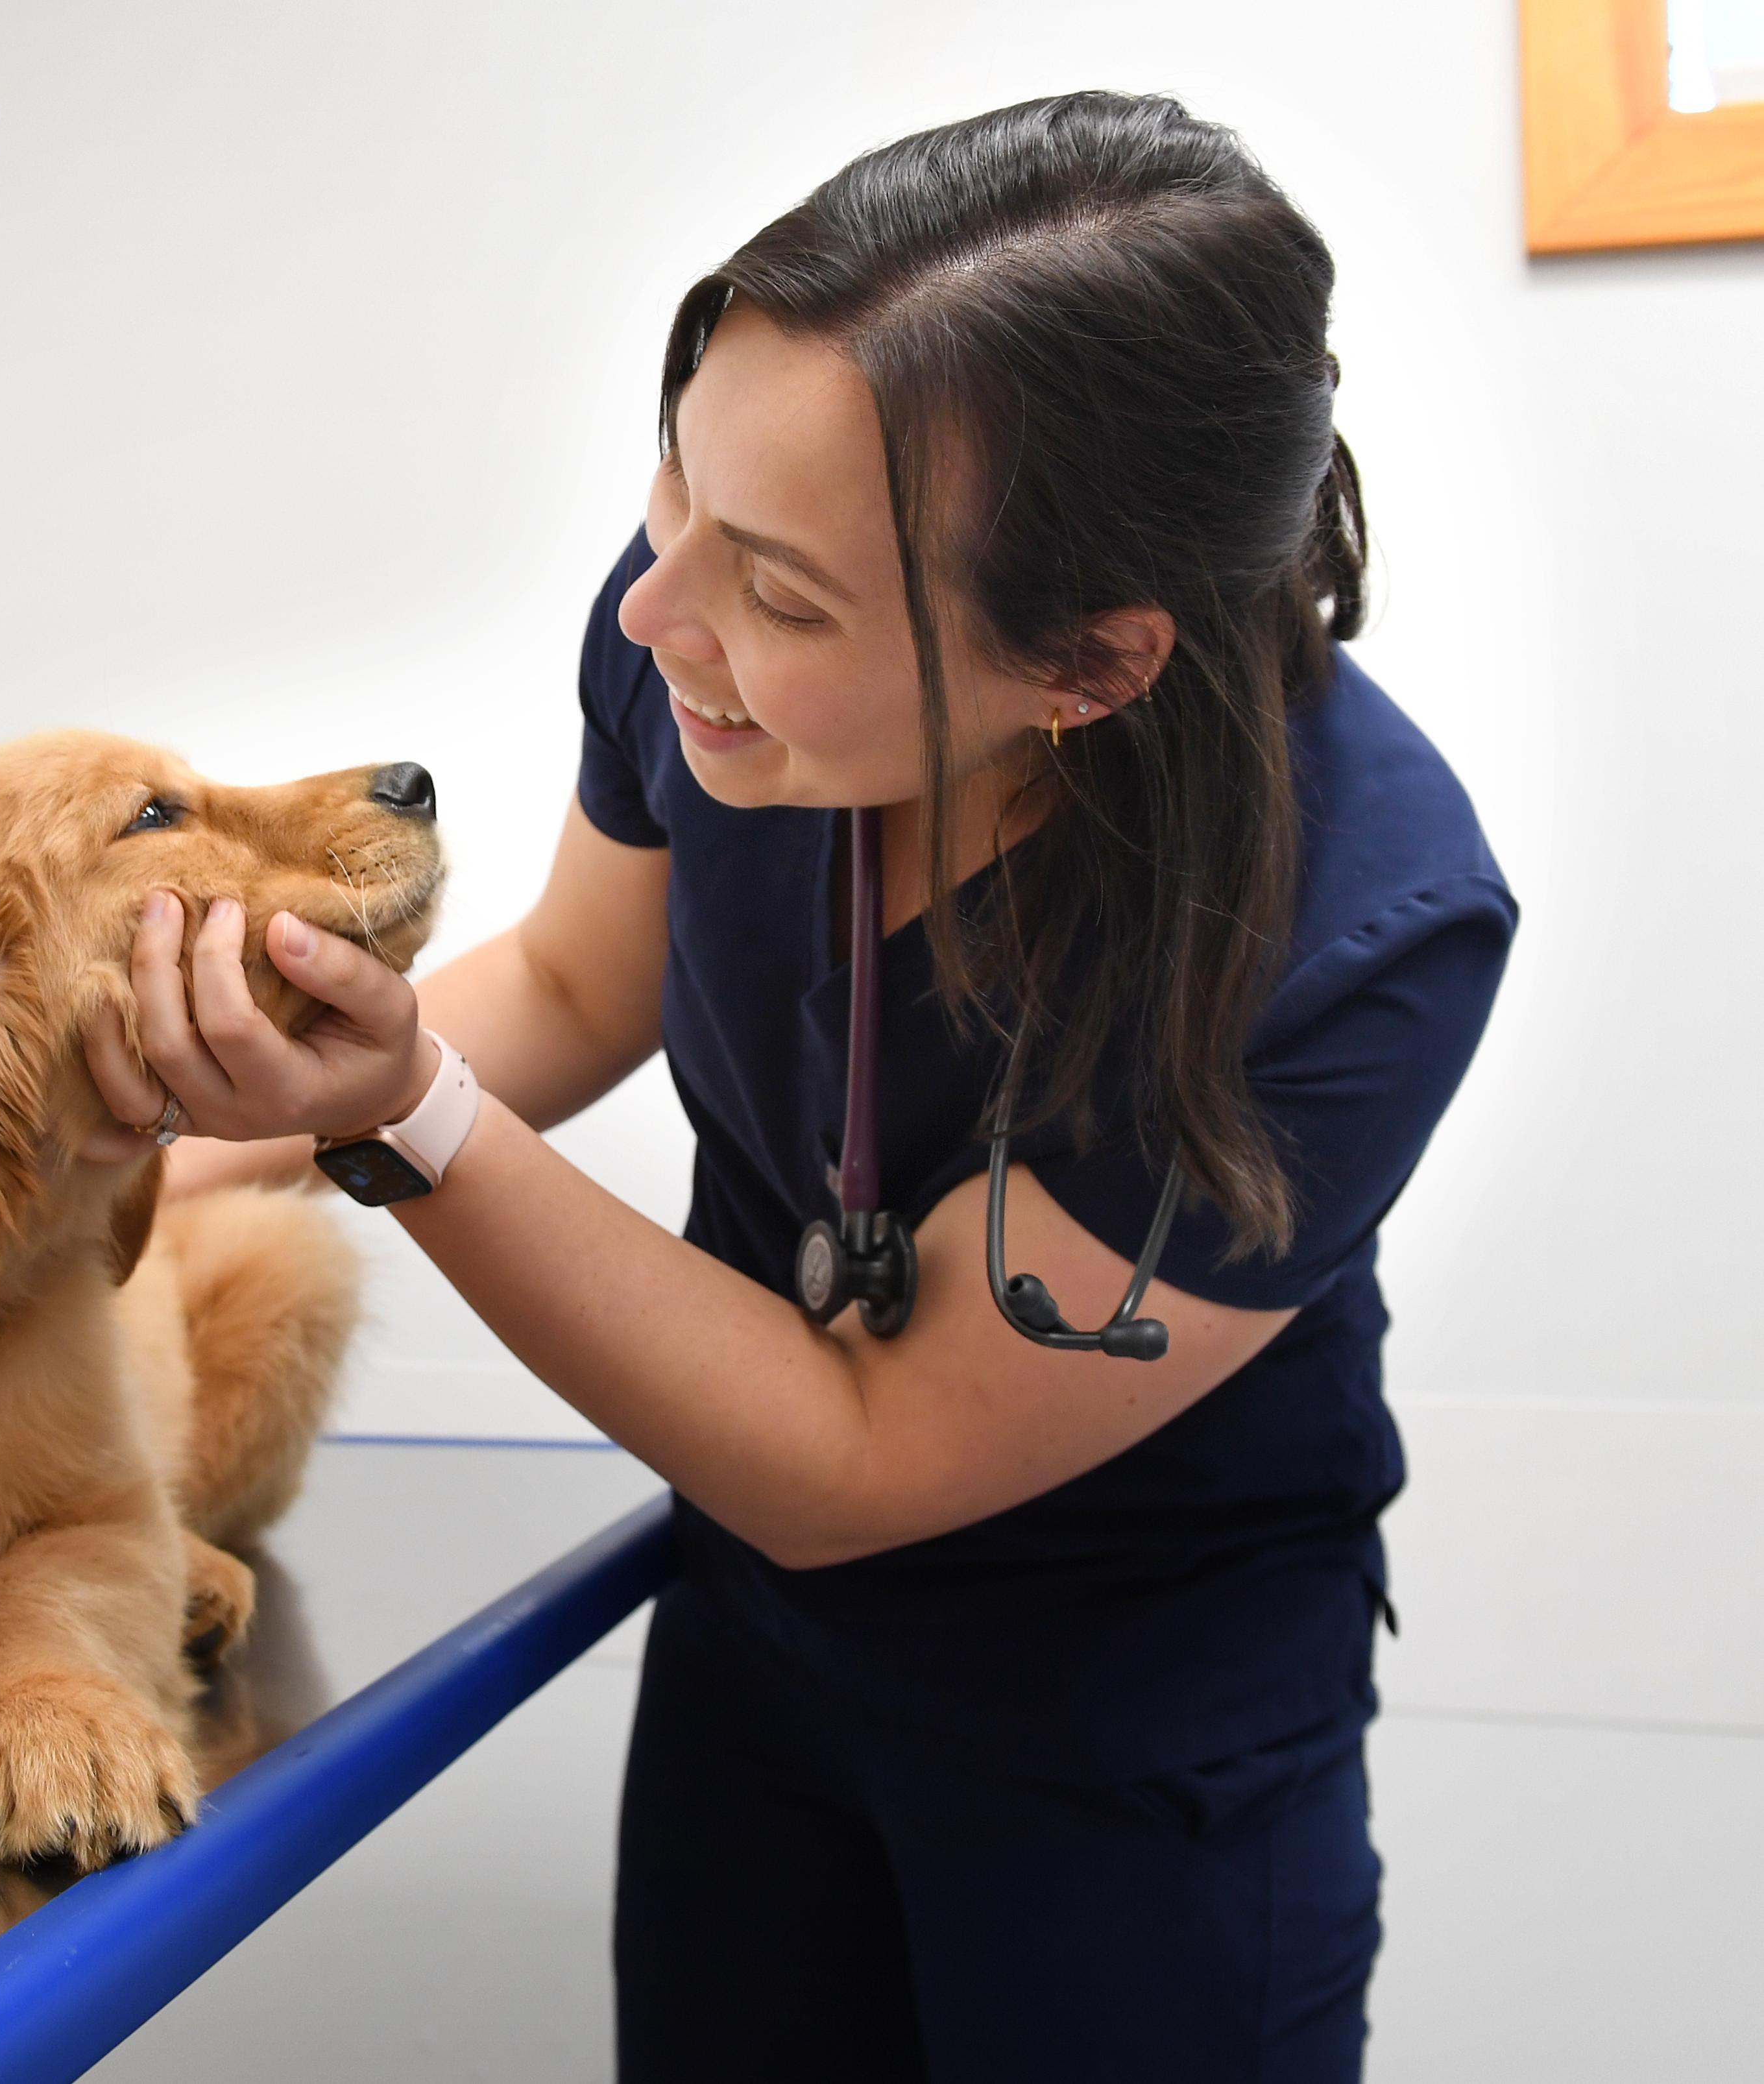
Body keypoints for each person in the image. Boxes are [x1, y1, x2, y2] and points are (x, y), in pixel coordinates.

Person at [83, 91, 1514, 2083]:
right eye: (673, 497)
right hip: (761, 1645)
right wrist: (124, 1154)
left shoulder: (1354, 932)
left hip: (1129, 1722)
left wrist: (397, 1116)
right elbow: (586, 983)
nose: (660, 616)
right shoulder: (698, 626)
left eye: (782, 594)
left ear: (1089, 666)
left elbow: (856, 1453)